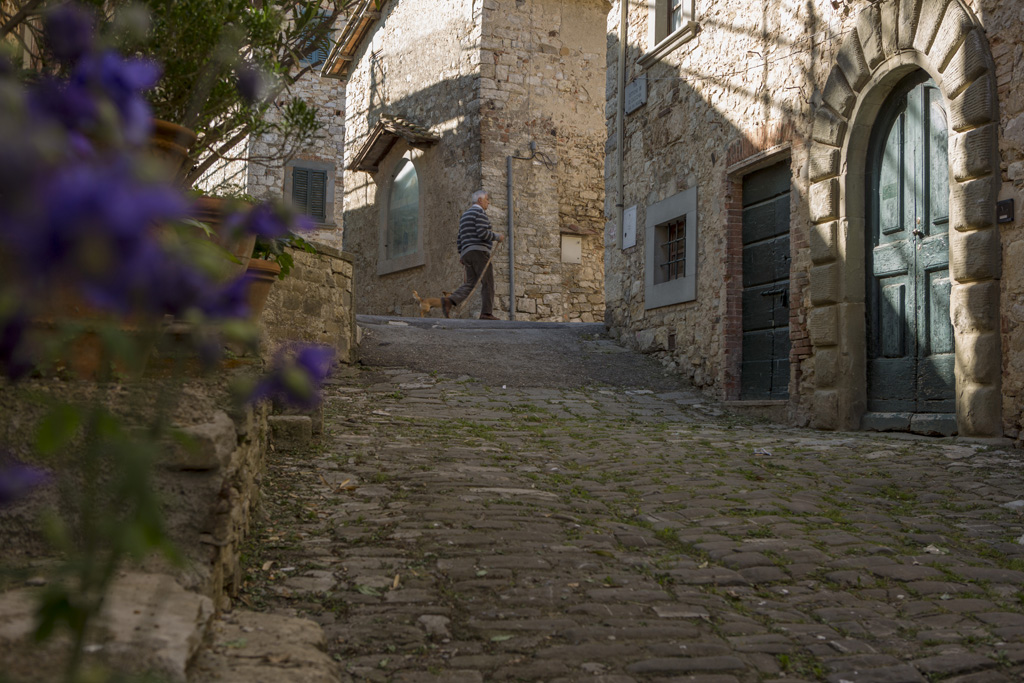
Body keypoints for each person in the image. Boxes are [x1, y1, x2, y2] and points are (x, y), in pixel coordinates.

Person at [442, 190, 505, 320]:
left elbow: (459, 237)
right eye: (487, 199)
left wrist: (462, 253)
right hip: (479, 252)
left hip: (467, 253)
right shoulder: (479, 213)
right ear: (480, 200)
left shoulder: (465, 216)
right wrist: (497, 237)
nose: (488, 202)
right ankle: (486, 313)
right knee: (488, 282)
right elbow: (482, 233)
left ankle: (450, 300)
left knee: (470, 282)